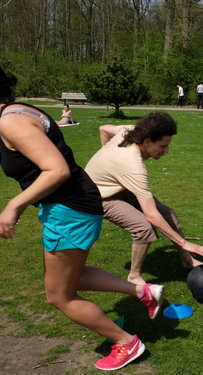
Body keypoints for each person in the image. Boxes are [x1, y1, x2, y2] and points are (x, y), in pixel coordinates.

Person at [0, 67, 164, 371]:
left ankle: (127, 343)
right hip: (72, 203)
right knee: (73, 275)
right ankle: (142, 291)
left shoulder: (10, 122)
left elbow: (56, 169)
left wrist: (14, 204)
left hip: (71, 208)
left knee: (59, 295)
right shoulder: (19, 111)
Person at [85, 112, 203, 285]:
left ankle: (187, 260)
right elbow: (151, 215)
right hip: (97, 195)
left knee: (169, 215)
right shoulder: (133, 166)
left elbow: (104, 129)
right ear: (147, 142)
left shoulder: (129, 131)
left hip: (118, 184)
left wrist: (108, 159)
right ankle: (134, 276)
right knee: (144, 228)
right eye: (162, 146)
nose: (166, 151)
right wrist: (185, 243)